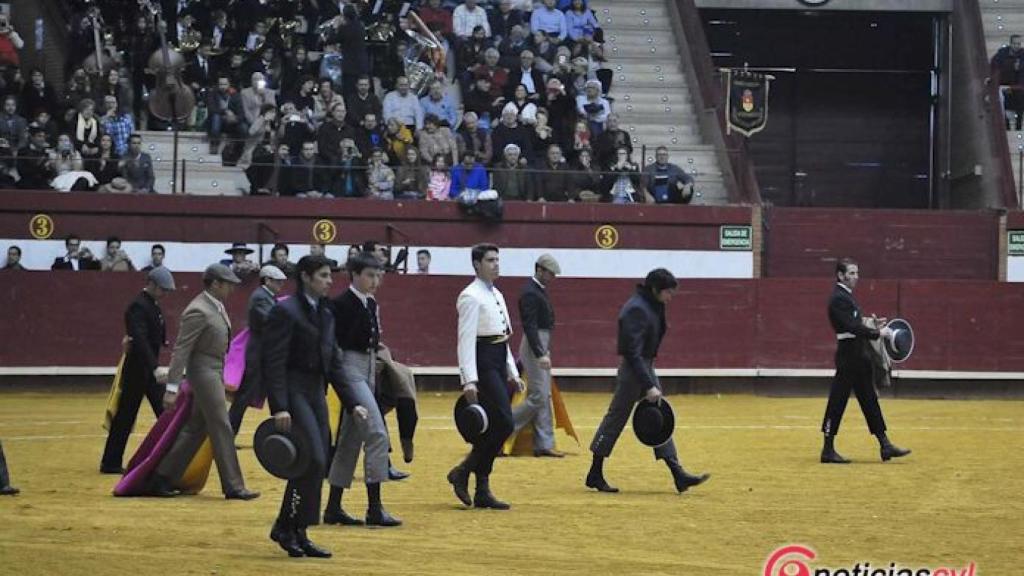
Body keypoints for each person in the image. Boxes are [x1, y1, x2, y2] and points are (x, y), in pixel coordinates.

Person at [262, 255, 368, 558]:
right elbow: (274, 362)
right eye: (323, 275)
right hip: (294, 389)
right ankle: (291, 527)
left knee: (315, 462)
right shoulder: (286, 312)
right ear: (306, 277)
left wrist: (352, 403)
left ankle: (293, 529)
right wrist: (279, 406)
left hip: (315, 392)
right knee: (314, 459)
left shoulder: (325, 313)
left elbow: (334, 363)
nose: (329, 280)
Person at [586, 268, 710, 494]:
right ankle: (595, 472)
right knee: (616, 418)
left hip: (645, 365)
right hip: (635, 369)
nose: (670, 298)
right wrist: (649, 384)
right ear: (655, 289)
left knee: (660, 417)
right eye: (668, 293)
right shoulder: (636, 309)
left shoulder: (652, 304)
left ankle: (677, 473)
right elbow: (632, 353)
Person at [148, 264, 260, 501]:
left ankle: (163, 477)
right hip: (204, 373)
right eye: (228, 283)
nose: (231, 288)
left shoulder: (213, 306)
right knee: (221, 425)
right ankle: (233, 485)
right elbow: (181, 350)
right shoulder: (198, 310)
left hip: (213, 371)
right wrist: (172, 387)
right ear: (215, 283)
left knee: (195, 428)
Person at [324, 253, 402, 527]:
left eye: (378, 275)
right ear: (354, 274)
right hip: (349, 368)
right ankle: (374, 508)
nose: (375, 281)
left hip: (368, 368)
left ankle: (333, 507)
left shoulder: (370, 303)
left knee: (350, 439)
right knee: (377, 433)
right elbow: (335, 346)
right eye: (370, 275)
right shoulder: (340, 304)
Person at [447, 244, 525, 510]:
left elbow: (502, 340)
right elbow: (465, 340)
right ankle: (464, 471)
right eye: (490, 260)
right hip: (482, 363)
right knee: (503, 423)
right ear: (477, 264)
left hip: (495, 361)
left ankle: (480, 487)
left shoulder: (497, 294)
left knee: (494, 426)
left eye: (497, 260)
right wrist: (468, 378)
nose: (496, 264)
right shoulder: (470, 296)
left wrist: (512, 372)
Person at [820, 258, 912, 464]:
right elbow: (851, 327)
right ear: (840, 275)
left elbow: (854, 323)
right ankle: (827, 449)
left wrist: (872, 324)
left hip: (857, 355)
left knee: (869, 399)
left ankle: (885, 445)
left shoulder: (845, 297)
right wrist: (878, 332)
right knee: (837, 401)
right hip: (848, 356)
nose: (856, 277)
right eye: (851, 273)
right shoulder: (838, 298)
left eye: (857, 273)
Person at [100, 267, 175, 474]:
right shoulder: (138, 306)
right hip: (137, 370)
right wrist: (155, 367)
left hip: (147, 369)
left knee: (165, 411)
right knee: (126, 415)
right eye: (163, 289)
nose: (165, 293)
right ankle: (110, 462)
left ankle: (169, 457)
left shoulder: (149, 304)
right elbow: (140, 340)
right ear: (151, 284)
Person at [512, 254, 564, 457]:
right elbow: (530, 326)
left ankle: (544, 443)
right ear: (539, 269)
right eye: (550, 273)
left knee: (544, 395)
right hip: (536, 345)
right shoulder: (530, 292)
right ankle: (503, 424)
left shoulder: (536, 290)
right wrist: (540, 352)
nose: (552, 277)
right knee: (539, 395)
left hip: (540, 343)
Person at [228, 265, 287, 435]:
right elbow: (271, 321)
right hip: (258, 354)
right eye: (277, 282)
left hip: (263, 353)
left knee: (247, 397)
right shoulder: (261, 297)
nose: (280, 285)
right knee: (244, 397)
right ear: (267, 280)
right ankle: (228, 435)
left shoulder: (266, 296)